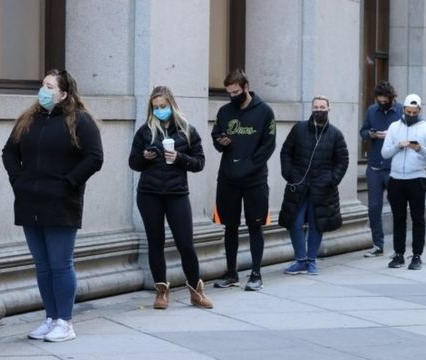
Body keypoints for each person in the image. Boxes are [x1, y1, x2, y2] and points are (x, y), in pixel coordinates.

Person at [2, 69, 103, 342]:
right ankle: (50, 317)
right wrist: (18, 180)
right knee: (42, 265)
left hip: (61, 203)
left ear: (63, 94)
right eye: (42, 85)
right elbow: (9, 151)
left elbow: (94, 158)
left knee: (60, 263)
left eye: (49, 86)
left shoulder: (80, 121)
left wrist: (68, 182)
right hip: (29, 201)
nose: (43, 90)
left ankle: (65, 321)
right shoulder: (29, 119)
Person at [128, 86, 213, 310]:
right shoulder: (145, 131)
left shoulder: (187, 131)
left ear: (172, 105)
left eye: (163, 107)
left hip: (177, 194)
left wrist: (179, 158)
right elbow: (133, 163)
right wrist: (144, 157)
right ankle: (161, 292)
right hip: (149, 194)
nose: (159, 111)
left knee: (185, 243)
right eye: (155, 107)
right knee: (155, 243)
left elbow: (199, 163)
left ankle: (196, 291)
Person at [211, 69, 276, 291]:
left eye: (236, 92)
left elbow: (269, 145)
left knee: (255, 226)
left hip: (255, 179)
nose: (232, 96)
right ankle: (231, 273)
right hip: (228, 177)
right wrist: (221, 142)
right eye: (229, 92)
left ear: (246, 87)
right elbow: (215, 136)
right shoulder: (224, 111)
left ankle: (256, 274)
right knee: (229, 226)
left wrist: (248, 166)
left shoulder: (265, 111)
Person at [278, 96, 349, 275]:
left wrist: (332, 179)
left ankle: (311, 261)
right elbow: (286, 152)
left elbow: (343, 160)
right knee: (295, 222)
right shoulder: (298, 129)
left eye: (322, 107)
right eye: (316, 107)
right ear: (311, 109)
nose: (319, 110)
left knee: (317, 225)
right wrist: (289, 173)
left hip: (322, 189)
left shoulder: (335, 134)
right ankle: (300, 260)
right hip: (298, 185)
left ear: (328, 109)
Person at [381, 94, 426, 270]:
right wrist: (398, 145)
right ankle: (398, 254)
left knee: (417, 218)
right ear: (403, 109)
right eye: (408, 111)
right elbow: (385, 153)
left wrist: (419, 148)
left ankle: (417, 255)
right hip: (396, 178)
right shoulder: (394, 127)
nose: (411, 114)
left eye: (415, 112)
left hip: (417, 178)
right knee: (399, 218)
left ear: (419, 110)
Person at [359, 81, 403, 257]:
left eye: (385, 101)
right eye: (379, 101)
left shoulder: (401, 111)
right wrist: (371, 134)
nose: (382, 103)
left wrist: (391, 136)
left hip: (394, 167)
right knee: (373, 208)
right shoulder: (372, 110)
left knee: (397, 208)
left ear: (392, 99)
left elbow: (410, 133)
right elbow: (362, 132)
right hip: (375, 166)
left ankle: (399, 247)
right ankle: (378, 244)